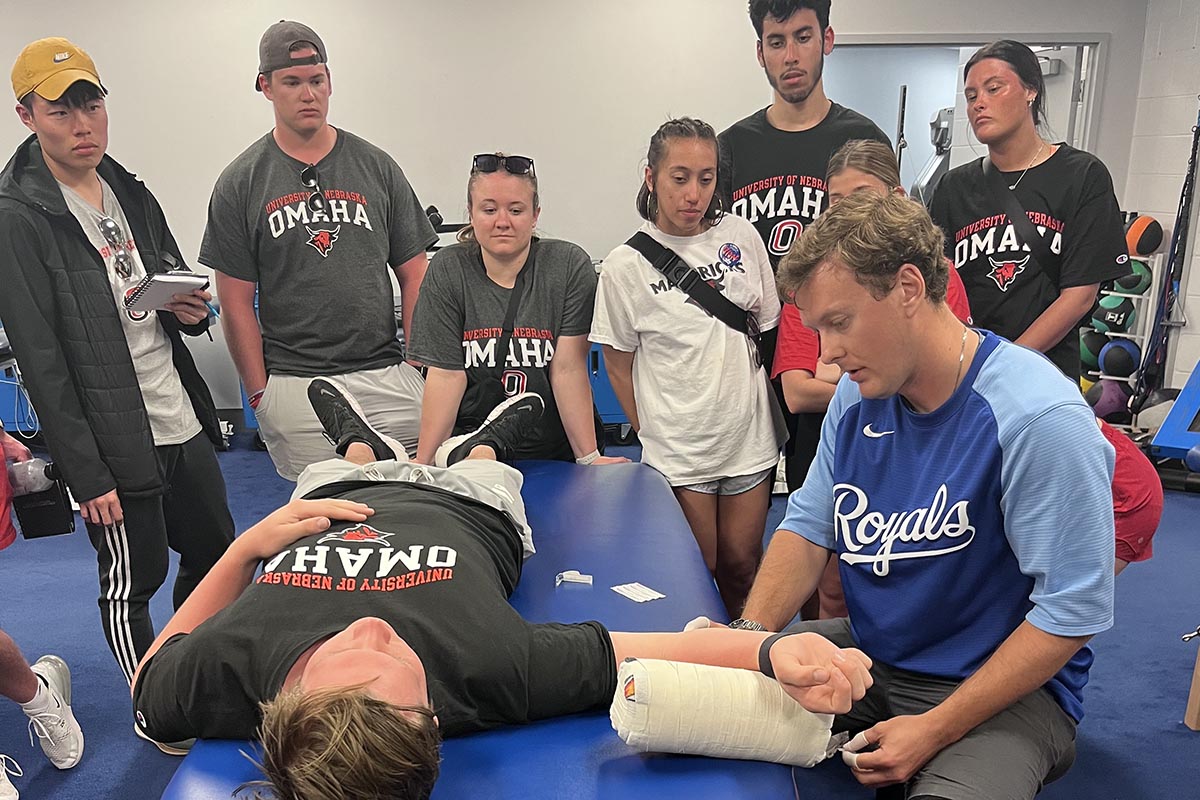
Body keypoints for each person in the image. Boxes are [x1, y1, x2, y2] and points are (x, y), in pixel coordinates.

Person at [130, 378, 872, 800]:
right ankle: (485, 438)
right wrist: (771, 652)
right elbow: (635, 650)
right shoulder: (484, 670)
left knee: (342, 464)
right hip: (468, 509)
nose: (374, 627)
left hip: (333, 500)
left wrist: (247, 549)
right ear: (432, 721)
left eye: (354, 651)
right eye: (397, 660)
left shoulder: (223, 676)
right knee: (483, 463)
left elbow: (149, 677)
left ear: (288, 702)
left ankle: (357, 439)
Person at [736, 190, 1115, 798]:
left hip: (1001, 694)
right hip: (870, 660)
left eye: (839, 322)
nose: (827, 353)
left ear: (909, 287)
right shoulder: (858, 401)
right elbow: (807, 530)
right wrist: (748, 639)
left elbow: (1072, 612)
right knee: (693, 699)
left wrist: (933, 730)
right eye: (816, 329)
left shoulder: (1037, 417)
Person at [0, 37, 235, 684]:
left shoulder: (126, 188)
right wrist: (85, 472)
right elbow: (40, 362)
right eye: (60, 112)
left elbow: (163, 276)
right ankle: (149, 699)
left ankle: (187, 666)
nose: (82, 126)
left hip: (176, 411)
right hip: (111, 438)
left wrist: (187, 311)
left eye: (91, 105)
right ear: (26, 116)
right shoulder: (19, 217)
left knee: (217, 552)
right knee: (136, 579)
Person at [200, 20, 436, 480]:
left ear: (330, 82)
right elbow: (233, 300)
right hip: (294, 380)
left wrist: (418, 363)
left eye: (317, 81)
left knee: (411, 493)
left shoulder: (375, 166)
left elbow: (415, 272)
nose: (308, 94)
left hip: (388, 371)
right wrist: (257, 393)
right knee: (327, 507)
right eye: (292, 82)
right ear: (265, 86)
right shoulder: (241, 181)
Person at [590, 118, 782, 616]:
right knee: (696, 573)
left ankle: (749, 669)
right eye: (679, 177)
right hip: (679, 451)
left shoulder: (740, 236)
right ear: (651, 177)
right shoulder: (624, 266)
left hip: (748, 440)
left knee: (744, 566)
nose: (693, 193)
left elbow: (768, 325)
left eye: (706, 177)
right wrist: (651, 431)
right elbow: (616, 365)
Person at [718, 0, 891, 520]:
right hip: (749, 353)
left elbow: (883, 249)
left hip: (832, 350)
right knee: (742, 525)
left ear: (827, 39)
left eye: (802, 36)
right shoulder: (732, 149)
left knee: (840, 509)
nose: (790, 55)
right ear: (760, 52)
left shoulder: (862, 141)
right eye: (777, 42)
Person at [774, 139, 973, 494]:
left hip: (922, 444)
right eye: (837, 201)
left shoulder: (936, 273)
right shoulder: (808, 282)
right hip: (823, 443)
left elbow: (948, 375)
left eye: (843, 322)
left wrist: (839, 378)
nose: (830, 352)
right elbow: (798, 394)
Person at [928, 40, 1129, 382]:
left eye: (994, 89)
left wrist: (1004, 365)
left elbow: (1080, 296)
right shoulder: (953, 187)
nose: (979, 104)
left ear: (1030, 92)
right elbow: (936, 287)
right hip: (960, 373)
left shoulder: (1081, 175)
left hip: (1043, 375)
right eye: (972, 95)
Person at [408, 153, 624, 467]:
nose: (502, 222)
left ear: (535, 215)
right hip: (469, 447)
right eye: (489, 209)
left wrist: (589, 458)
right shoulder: (447, 269)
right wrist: (424, 463)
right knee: (474, 461)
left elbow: (567, 368)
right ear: (471, 213)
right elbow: (445, 375)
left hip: (552, 450)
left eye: (516, 210)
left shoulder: (567, 266)